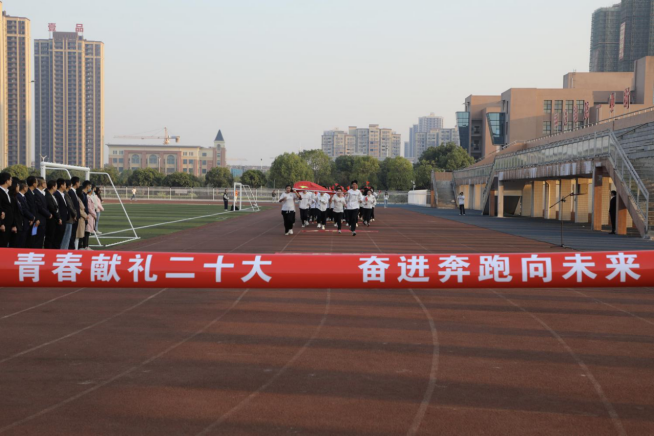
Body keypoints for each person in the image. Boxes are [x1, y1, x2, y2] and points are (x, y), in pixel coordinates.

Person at [12, 181, 34, 248]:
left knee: (24, 241)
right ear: (24, 187)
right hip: (22, 222)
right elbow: (24, 210)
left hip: (26, 222)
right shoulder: (18, 196)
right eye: (26, 186)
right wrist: (32, 217)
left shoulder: (23, 197)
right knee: (20, 242)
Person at [31, 178, 50, 249]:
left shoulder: (41, 193)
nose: (46, 184)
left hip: (43, 220)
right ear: (42, 184)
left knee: (40, 240)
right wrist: (48, 214)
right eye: (44, 182)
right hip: (38, 220)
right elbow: (39, 207)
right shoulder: (36, 193)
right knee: (37, 240)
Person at [54, 179, 73, 249]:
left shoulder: (63, 194)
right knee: (58, 238)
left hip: (65, 219)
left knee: (62, 237)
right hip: (60, 219)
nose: (66, 186)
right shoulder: (57, 194)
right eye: (64, 184)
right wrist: (59, 218)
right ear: (61, 185)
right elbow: (57, 208)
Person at [44, 180, 61, 249]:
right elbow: (52, 208)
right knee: (49, 237)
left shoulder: (52, 195)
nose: (57, 187)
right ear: (53, 187)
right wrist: (58, 218)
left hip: (54, 219)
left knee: (53, 237)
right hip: (50, 220)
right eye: (56, 186)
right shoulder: (47, 196)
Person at [0, 172, 14, 247]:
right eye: (10, 179)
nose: (11, 181)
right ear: (6, 181)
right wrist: (1, 223)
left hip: (8, 223)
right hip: (3, 224)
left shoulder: (7, 192)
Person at [8, 182, 25, 248]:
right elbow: (13, 212)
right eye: (17, 186)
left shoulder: (16, 197)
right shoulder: (12, 198)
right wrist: (14, 225)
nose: (18, 187)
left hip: (19, 224)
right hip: (16, 225)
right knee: (14, 244)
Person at [67, 178, 81, 249]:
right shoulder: (71, 192)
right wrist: (74, 215)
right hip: (73, 217)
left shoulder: (74, 192)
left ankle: (72, 248)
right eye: (79, 182)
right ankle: (71, 249)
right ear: (76, 183)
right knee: (71, 235)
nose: (79, 184)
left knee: (73, 234)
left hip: (76, 216)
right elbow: (71, 206)